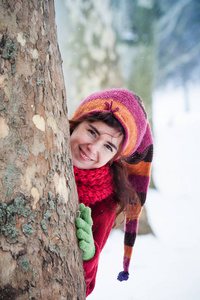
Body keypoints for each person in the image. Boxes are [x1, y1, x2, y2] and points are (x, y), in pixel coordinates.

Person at [69, 89, 153, 297]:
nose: (93, 148)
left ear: (115, 157)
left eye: (108, 146)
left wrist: (89, 256)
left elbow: (85, 287)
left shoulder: (104, 203)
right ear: (76, 123)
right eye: (92, 132)